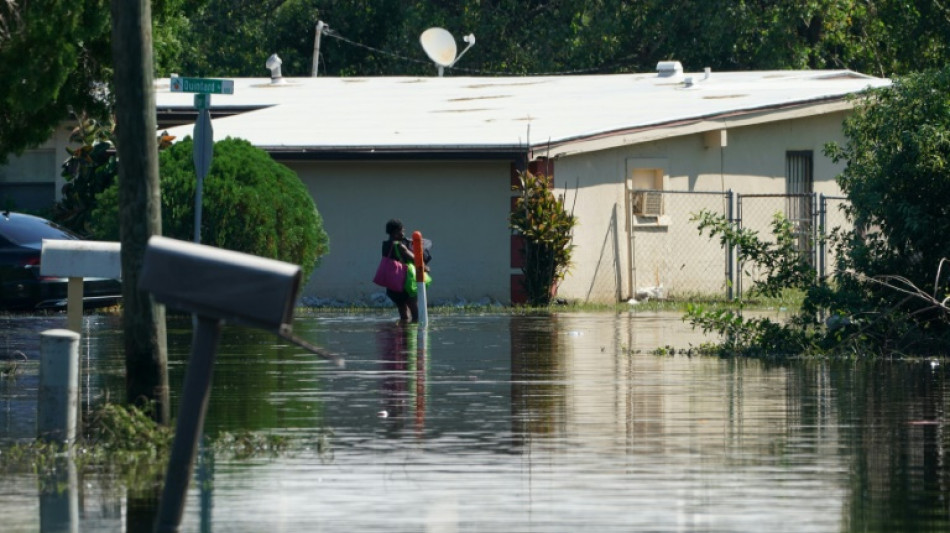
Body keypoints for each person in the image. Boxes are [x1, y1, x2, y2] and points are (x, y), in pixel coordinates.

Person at [381, 219, 430, 323]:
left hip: (392, 285)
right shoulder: (400, 246)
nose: (403, 234)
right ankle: (416, 333)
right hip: (404, 284)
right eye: (402, 231)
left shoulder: (385, 245)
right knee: (415, 312)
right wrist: (425, 268)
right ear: (395, 232)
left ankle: (403, 334)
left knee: (403, 312)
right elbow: (414, 259)